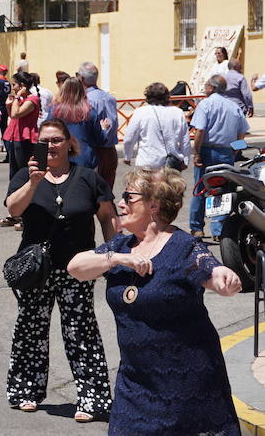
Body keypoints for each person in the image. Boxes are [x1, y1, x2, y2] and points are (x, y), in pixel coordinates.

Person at [68, 167, 242, 435]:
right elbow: (75, 267)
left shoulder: (184, 246)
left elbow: (209, 268)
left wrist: (224, 277)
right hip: (135, 383)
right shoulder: (120, 248)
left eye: (129, 197)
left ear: (153, 205)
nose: (121, 203)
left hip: (187, 385)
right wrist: (116, 259)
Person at [4, 119, 117, 422]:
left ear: (70, 143)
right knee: (30, 329)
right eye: (44, 141)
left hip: (77, 268)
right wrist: (33, 182)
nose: (50, 146)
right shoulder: (24, 176)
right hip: (35, 269)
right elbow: (13, 209)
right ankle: (26, 390)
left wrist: (114, 256)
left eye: (56, 140)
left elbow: (107, 218)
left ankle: (92, 398)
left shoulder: (89, 179)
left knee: (81, 332)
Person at [189, 75, 249, 239]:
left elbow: (200, 131)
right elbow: (242, 132)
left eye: (206, 84)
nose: (205, 87)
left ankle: (197, 228)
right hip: (226, 152)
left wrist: (197, 153)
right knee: (223, 190)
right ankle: (218, 229)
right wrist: (235, 150)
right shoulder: (234, 106)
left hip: (207, 150)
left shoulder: (205, 104)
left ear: (212, 88)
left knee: (200, 188)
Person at [122, 82, 191, 169]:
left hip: (147, 163)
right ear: (167, 96)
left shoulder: (140, 112)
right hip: (171, 164)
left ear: (148, 96)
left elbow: (129, 138)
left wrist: (127, 157)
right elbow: (185, 140)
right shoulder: (177, 112)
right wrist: (185, 160)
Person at [77, 62, 119, 188]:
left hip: (94, 151)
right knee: (107, 190)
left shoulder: (85, 100)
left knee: (93, 191)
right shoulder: (110, 97)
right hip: (110, 150)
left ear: (82, 78)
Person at [49, 78, 105, 170]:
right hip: (85, 158)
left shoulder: (54, 111)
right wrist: (103, 129)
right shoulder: (89, 112)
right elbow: (100, 139)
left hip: (61, 156)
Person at [3, 71, 41, 178]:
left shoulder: (32, 100)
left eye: (14, 84)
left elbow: (16, 114)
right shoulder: (21, 100)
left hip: (25, 138)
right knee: (14, 172)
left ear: (22, 86)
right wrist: (8, 106)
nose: (13, 88)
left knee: (23, 171)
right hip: (15, 136)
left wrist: (16, 97)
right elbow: (12, 116)